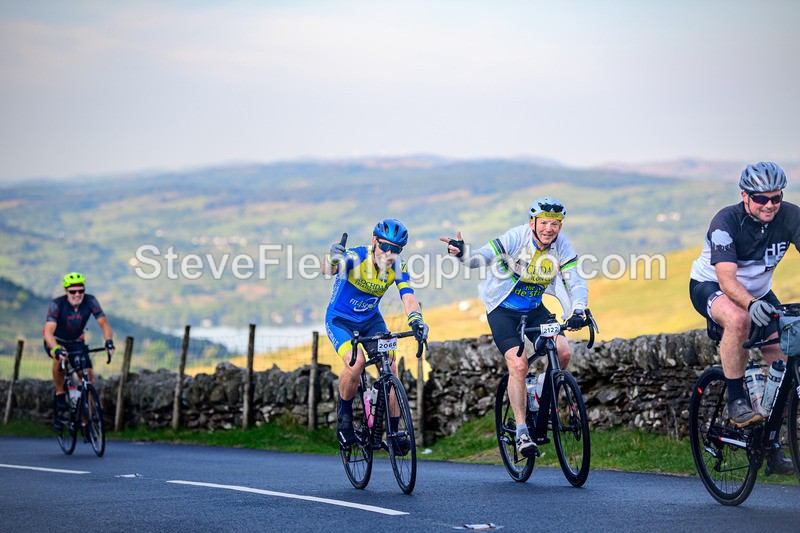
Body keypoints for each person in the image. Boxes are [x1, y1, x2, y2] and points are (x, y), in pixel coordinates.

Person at [440, 197, 588, 457]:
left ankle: (541, 392)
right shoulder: (515, 238)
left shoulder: (561, 246)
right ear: (533, 223)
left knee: (563, 351)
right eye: (544, 223)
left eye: (555, 224)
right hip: (502, 309)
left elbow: (575, 280)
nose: (549, 229)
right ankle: (521, 432)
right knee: (518, 364)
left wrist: (578, 310)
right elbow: (481, 258)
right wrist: (463, 253)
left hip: (534, 309)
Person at [689, 161, 800, 476]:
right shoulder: (726, 221)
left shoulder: (791, 216)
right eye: (761, 198)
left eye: (775, 198)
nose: (769, 205)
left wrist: (757, 301)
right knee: (738, 320)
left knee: (783, 357)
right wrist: (750, 304)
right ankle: (737, 400)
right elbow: (726, 280)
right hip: (712, 286)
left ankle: (771, 444)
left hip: (760, 291)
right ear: (745, 196)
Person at [322, 219, 428, 448]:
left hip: (371, 321)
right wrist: (331, 258)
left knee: (390, 365)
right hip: (340, 320)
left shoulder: (397, 266)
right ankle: (345, 417)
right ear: (374, 242)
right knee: (356, 361)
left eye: (396, 249)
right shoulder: (356, 257)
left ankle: (394, 432)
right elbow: (327, 271)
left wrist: (416, 320)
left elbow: (408, 296)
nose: (389, 253)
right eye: (385, 246)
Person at [43, 272, 115, 419]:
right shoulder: (57, 305)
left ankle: (85, 421)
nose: (77, 294)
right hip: (56, 341)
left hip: (77, 343)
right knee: (60, 358)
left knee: (89, 380)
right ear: (66, 291)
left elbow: (105, 325)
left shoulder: (90, 301)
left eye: (81, 290)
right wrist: (56, 349)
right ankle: (60, 393)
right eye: (73, 291)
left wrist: (109, 342)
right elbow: (48, 332)